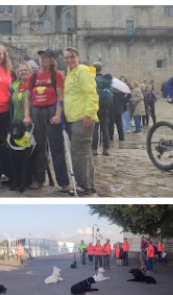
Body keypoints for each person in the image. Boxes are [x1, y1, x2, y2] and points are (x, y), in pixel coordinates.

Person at [23, 50, 70, 191]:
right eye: (41, 57)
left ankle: (63, 182)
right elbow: (28, 97)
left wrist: (58, 114)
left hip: (51, 111)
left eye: (45, 58)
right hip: (36, 111)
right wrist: (27, 115)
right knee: (39, 148)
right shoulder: (33, 77)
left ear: (51, 60)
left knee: (57, 148)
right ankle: (38, 179)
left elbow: (60, 97)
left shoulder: (57, 76)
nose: (42, 60)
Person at [62, 47, 98, 195]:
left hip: (82, 118)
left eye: (72, 57)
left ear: (78, 57)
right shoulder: (70, 73)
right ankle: (89, 184)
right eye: (67, 58)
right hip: (73, 118)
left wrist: (88, 114)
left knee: (79, 153)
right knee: (84, 152)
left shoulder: (82, 71)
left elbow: (91, 94)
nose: (70, 60)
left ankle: (82, 185)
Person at [92, 64, 113, 156]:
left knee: (95, 128)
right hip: (105, 106)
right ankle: (106, 149)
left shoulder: (92, 79)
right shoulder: (107, 80)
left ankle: (94, 149)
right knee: (105, 128)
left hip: (95, 105)